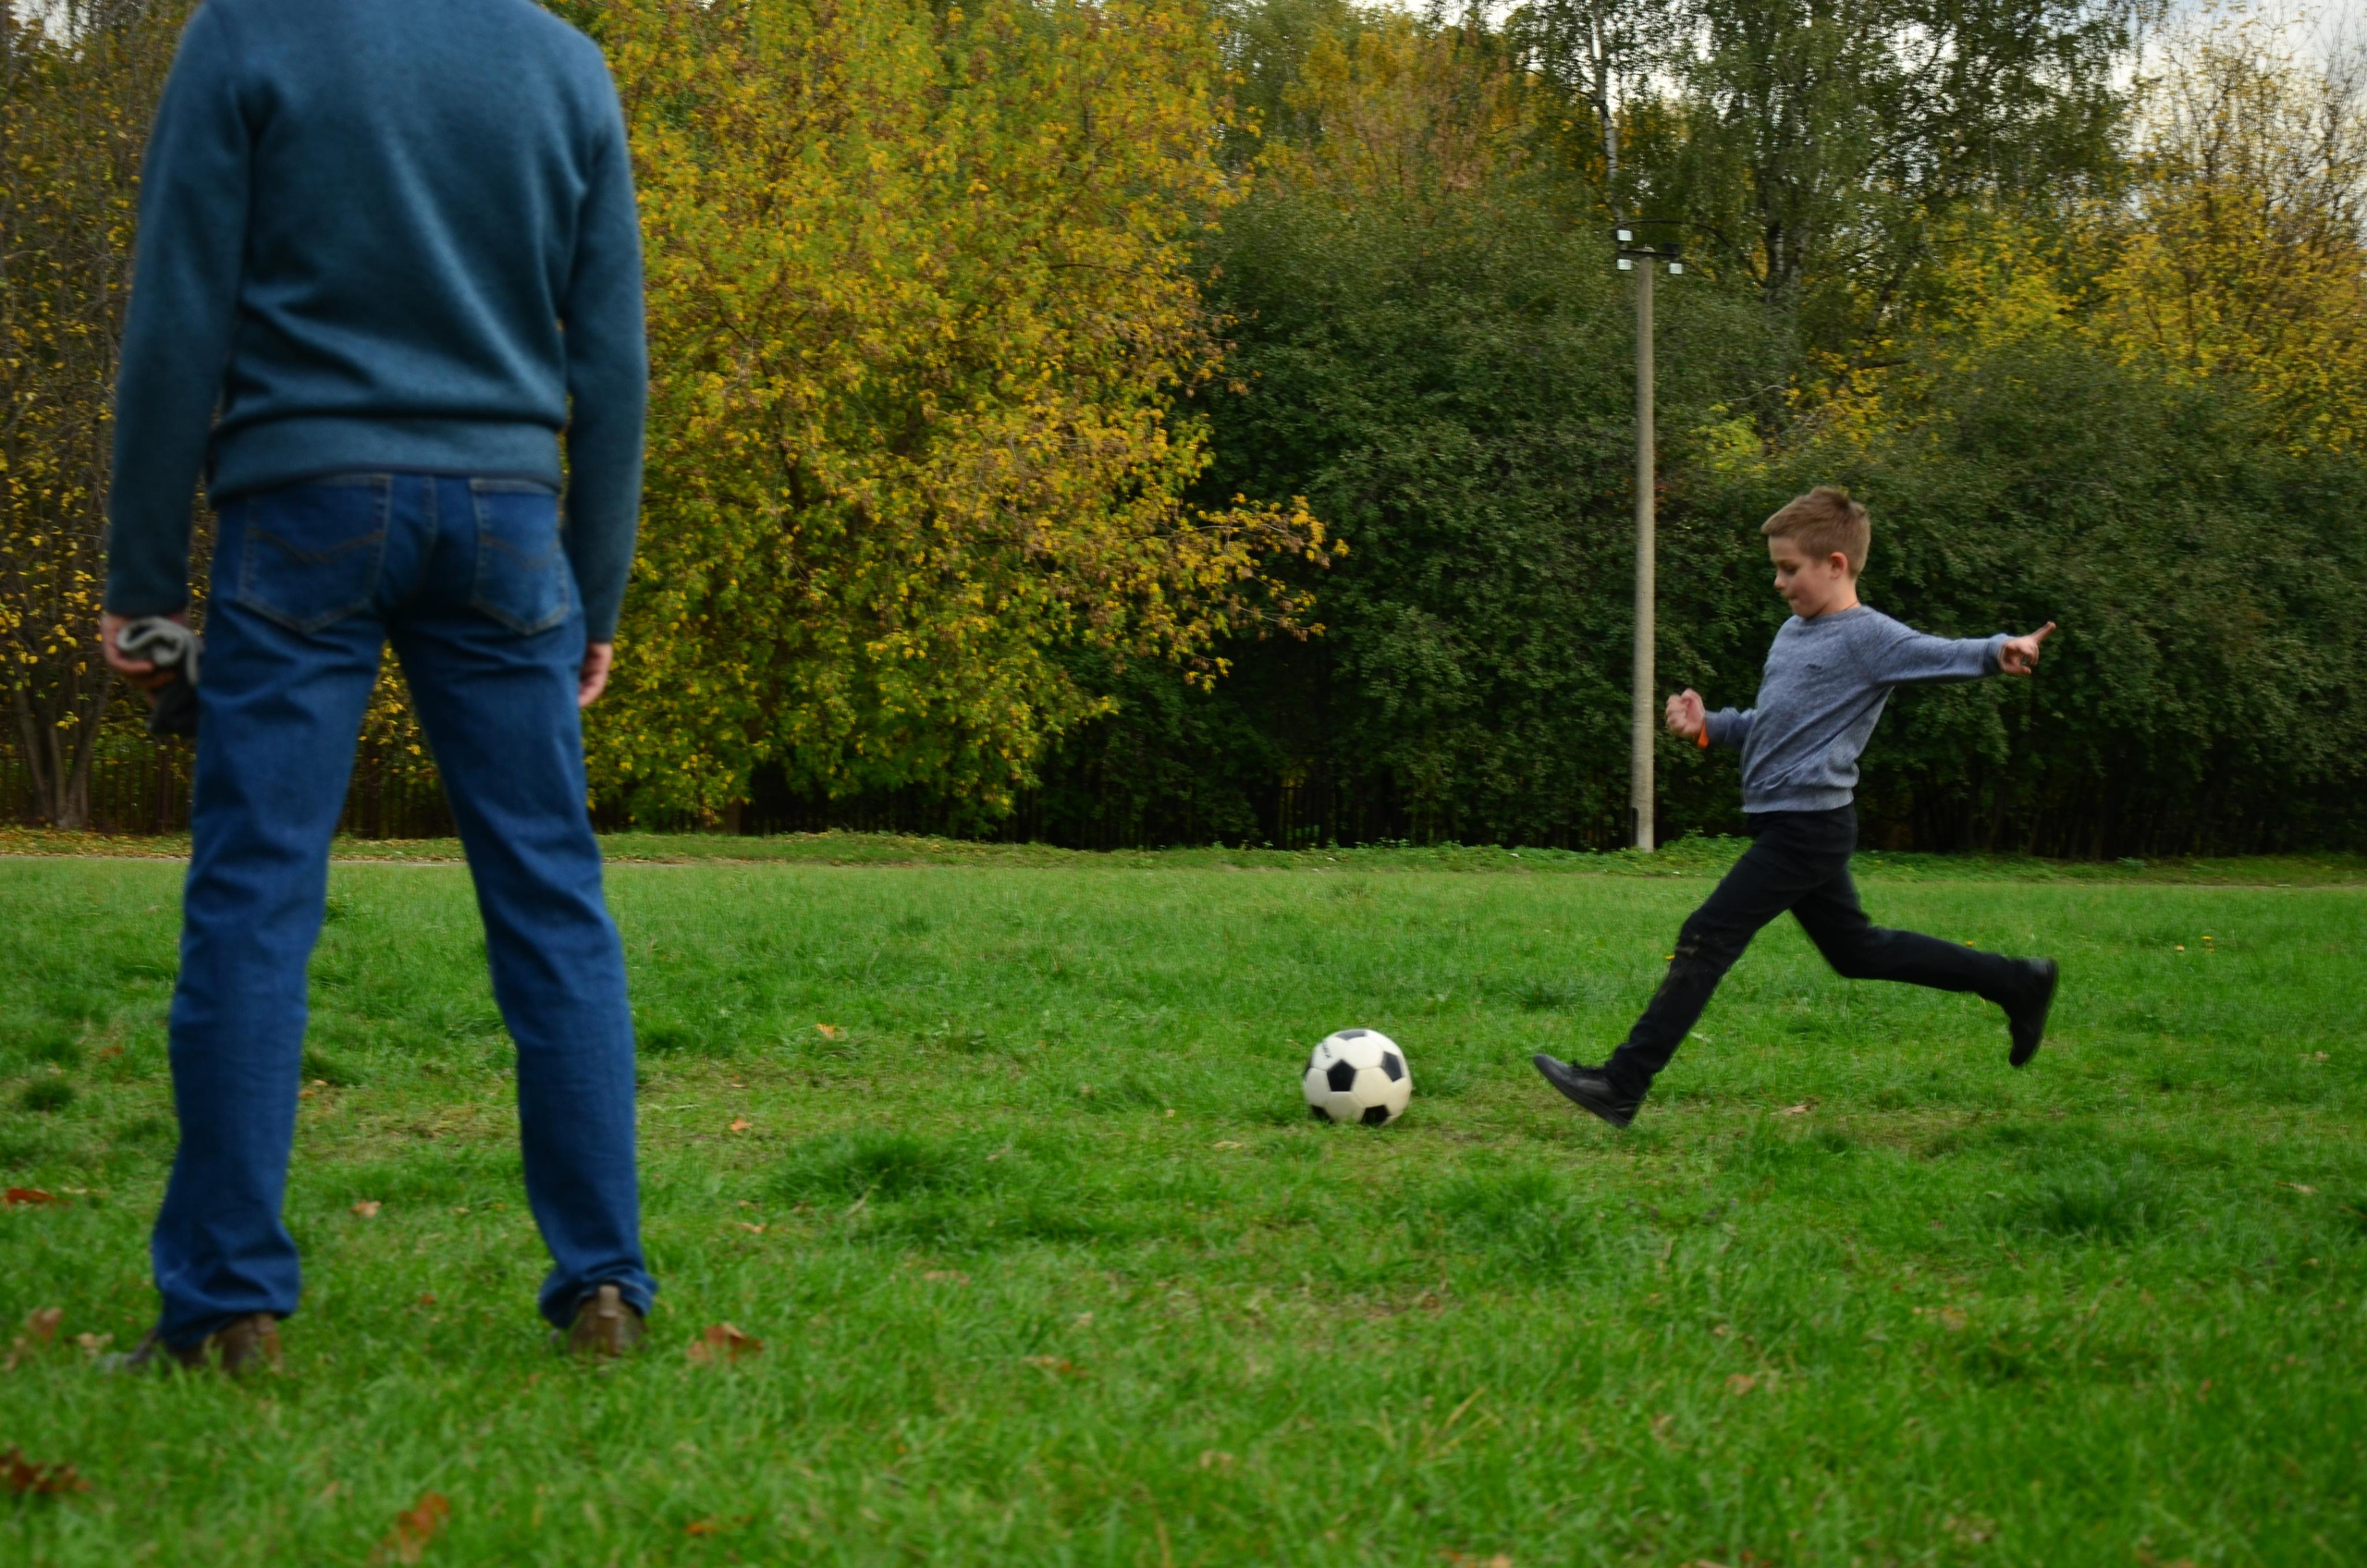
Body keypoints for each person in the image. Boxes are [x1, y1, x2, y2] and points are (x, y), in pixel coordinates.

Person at [97, 0, 654, 1371]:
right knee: (550, 895)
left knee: (255, 893)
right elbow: (615, 360)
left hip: (303, 505)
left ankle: (229, 1307)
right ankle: (603, 1287)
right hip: (510, 528)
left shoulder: (250, 34)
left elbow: (177, 306)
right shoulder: (564, 66)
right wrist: (596, 582)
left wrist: (144, 571)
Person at [1534, 486, 2060, 1128]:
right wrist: (1709, 725)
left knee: (1707, 935)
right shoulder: (1792, 633)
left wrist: (1998, 650)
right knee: (1857, 952)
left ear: (1836, 565)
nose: (1779, 582)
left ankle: (1621, 1083)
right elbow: (1774, 724)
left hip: (1809, 826)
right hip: (1793, 822)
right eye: (1777, 568)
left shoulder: (1870, 638)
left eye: (1790, 568)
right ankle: (2016, 982)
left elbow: (1940, 652)